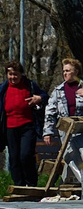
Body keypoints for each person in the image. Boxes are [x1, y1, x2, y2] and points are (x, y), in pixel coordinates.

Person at [44, 57, 83, 197]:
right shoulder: (58, 90)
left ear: (76, 72)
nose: (65, 73)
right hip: (66, 132)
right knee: (71, 157)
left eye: (68, 71)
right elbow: (50, 112)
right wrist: (47, 132)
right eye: (64, 71)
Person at [3, 60, 40, 190]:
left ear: (21, 74)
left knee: (25, 155)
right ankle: (19, 185)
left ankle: (31, 184)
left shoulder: (30, 85)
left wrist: (38, 98)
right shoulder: (3, 89)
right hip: (10, 127)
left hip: (27, 126)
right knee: (14, 157)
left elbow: (44, 96)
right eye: (10, 74)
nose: (13, 77)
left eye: (16, 74)